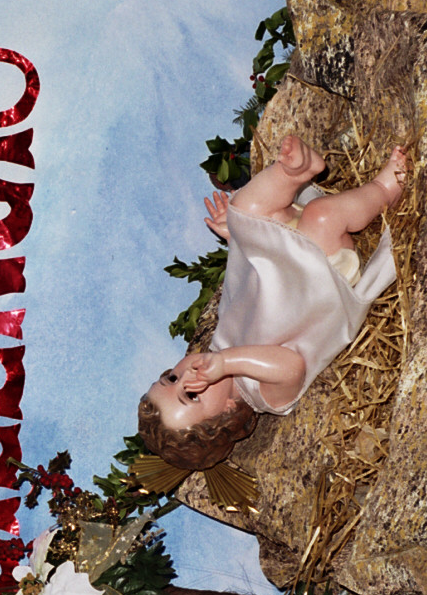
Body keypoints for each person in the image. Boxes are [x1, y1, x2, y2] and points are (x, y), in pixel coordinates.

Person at [139, 135, 409, 471]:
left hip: (284, 257)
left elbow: (246, 288)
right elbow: (291, 366)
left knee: (243, 209)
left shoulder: (220, 343)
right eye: (191, 395)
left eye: (171, 378)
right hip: (322, 277)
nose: (186, 376)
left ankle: (294, 171)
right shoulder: (264, 395)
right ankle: (386, 188)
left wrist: (238, 239)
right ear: (226, 413)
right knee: (321, 216)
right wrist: (226, 362)